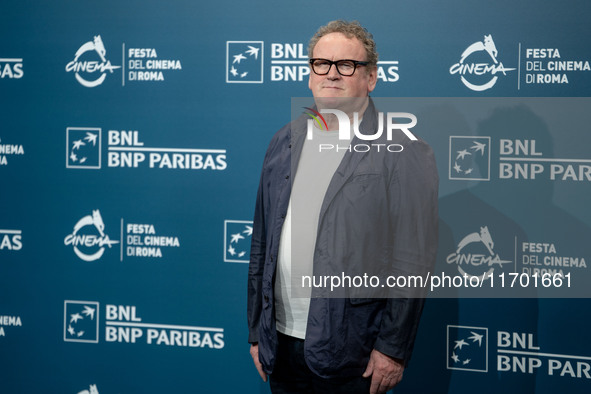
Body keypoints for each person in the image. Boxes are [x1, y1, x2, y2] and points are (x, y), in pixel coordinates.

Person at [247, 20, 438, 394]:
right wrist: (257, 329)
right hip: (282, 345)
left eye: (346, 65)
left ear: (371, 78)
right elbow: (262, 243)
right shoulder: (283, 141)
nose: (331, 74)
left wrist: (392, 350)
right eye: (321, 63)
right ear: (309, 73)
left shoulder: (404, 149)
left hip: (355, 353)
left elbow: (413, 261)